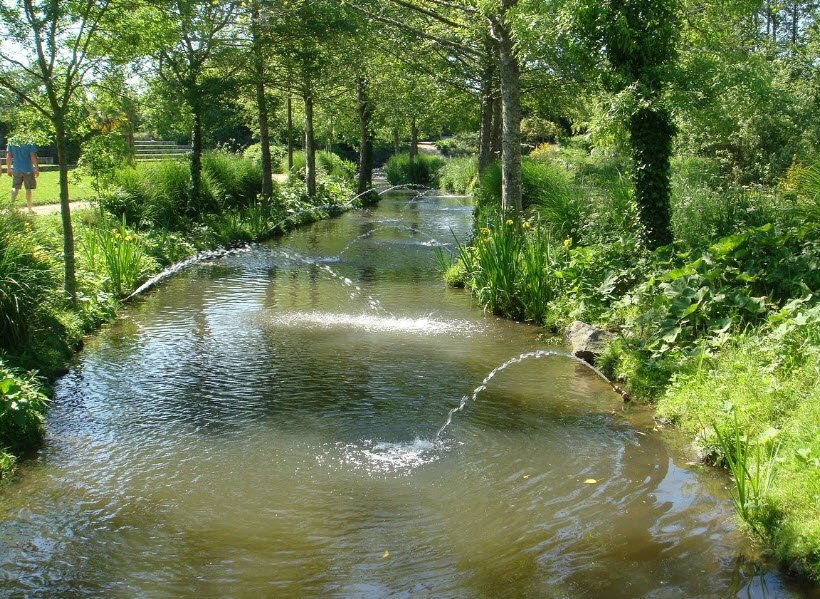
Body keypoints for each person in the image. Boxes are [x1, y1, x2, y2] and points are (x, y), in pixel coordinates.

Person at [6, 141, 39, 211]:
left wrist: (8, 168)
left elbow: (9, 155)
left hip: (16, 168)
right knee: (28, 188)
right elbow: (32, 155)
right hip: (27, 169)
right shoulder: (30, 141)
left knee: (15, 187)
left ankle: (11, 206)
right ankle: (29, 209)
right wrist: (36, 167)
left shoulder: (12, 140)